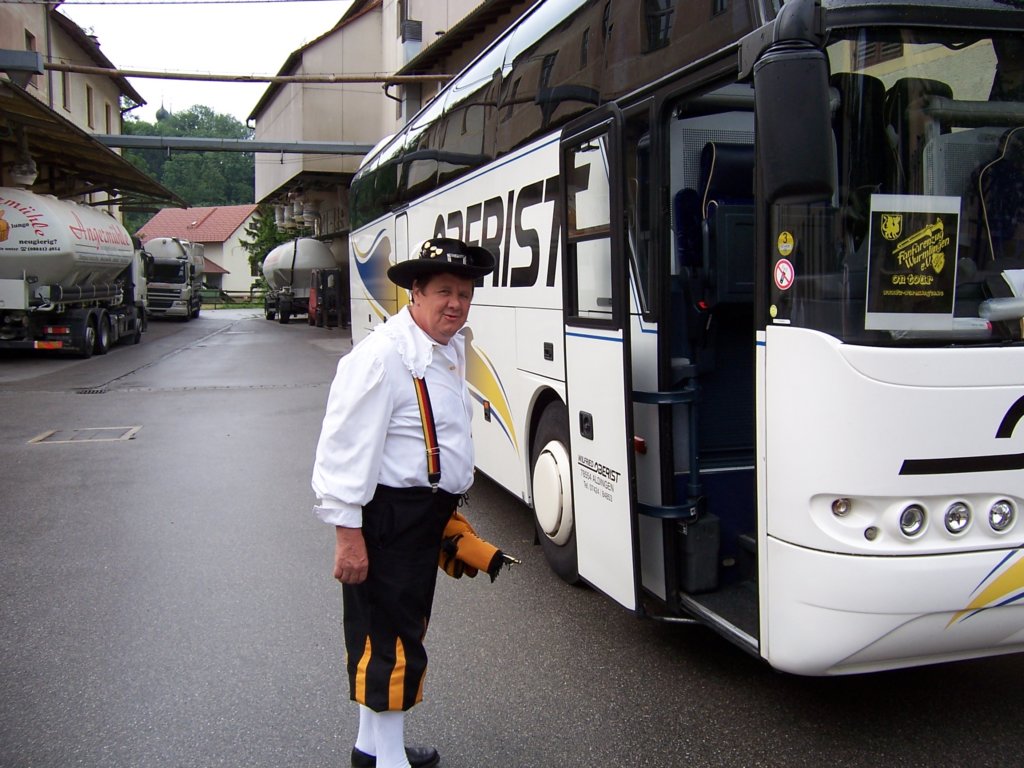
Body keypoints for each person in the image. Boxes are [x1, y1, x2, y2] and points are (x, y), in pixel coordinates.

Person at [311, 237, 510, 768]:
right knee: (394, 642)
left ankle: (373, 749)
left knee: (390, 632)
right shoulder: (382, 357)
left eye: (465, 293)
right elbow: (342, 451)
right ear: (415, 292)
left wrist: (443, 511)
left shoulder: (445, 347)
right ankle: (390, 762)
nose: (456, 304)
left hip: (420, 516)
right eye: (444, 291)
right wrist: (347, 536)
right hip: (388, 520)